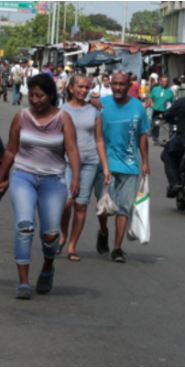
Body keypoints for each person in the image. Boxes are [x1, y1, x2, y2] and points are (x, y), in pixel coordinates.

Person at [0, 73, 80, 299]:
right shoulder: (21, 116)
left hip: (53, 180)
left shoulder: (63, 119)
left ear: (51, 95)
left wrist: (75, 178)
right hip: (24, 176)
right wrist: (2, 176)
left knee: (50, 234)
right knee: (24, 226)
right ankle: (23, 282)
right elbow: (10, 150)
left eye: (40, 95)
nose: (35, 100)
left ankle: (47, 266)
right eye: (32, 95)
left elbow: (72, 149)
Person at [95, 71, 150, 263]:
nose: (118, 88)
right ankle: (103, 231)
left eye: (122, 84)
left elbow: (143, 134)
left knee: (123, 208)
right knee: (103, 208)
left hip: (129, 165)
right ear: (110, 84)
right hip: (105, 164)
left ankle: (117, 248)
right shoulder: (102, 105)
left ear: (129, 86)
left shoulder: (138, 107)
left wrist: (145, 161)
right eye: (115, 84)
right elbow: (96, 136)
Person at [58, 74, 102, 262]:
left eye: (87, 87)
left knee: (81, 205)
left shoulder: (94, 111)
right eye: (80, 87)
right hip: (67, 163)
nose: (84, 91)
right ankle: (62, 234)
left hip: (90, 161)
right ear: (71, 88)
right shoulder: (61, 111)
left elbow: (99, 140)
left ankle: (72, 245)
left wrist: (105, 167)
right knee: (66, 202)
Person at [148, 76, 175, 143]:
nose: (165, 83)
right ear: (160, 82)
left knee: (165, 125)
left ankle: (164, 139)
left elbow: (173, 101)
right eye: (163, 81)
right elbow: (150, 97)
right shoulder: (155, 89)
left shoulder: (170, 91)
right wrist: (151, 103)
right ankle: (155, 137)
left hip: (165, 110)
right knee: (155, 124)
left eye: (166, 81)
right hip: (156, 110)